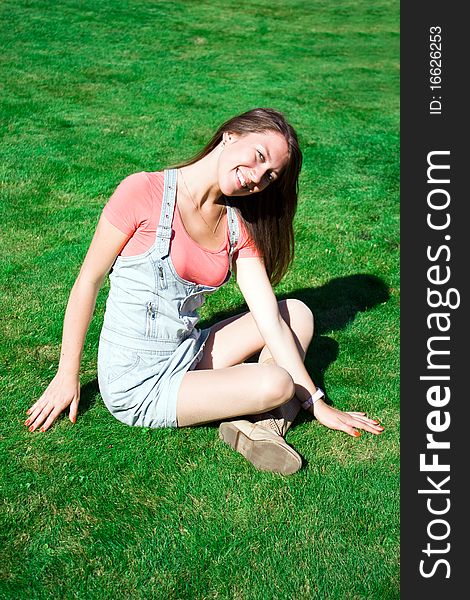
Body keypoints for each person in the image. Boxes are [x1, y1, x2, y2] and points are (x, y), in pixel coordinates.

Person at [24, 108, 384, 474]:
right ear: (230, 135)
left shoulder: (235, 226)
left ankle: (263, 429)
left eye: (270, 174)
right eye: (258, 156)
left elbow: (270, 320)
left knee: (298, 313)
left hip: (188, 350)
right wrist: (66, 374)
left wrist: (317, 403)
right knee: (277, 383)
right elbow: (89, 280)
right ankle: (271, 413)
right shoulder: (143, 191)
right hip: (138, 382)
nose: (257, 177)